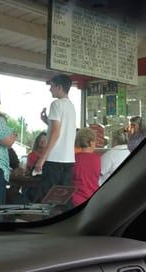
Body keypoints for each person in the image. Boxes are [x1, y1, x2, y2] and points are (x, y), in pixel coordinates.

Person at [35, 74, 77, 203]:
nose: (50, 89)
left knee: (48, 199)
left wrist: (42, 159)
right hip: (68, 160)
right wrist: (47, 121)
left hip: (54, 160)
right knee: (63, 198)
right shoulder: (71, 106)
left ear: (59, 87)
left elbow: (55, 133)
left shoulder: (56, 104)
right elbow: (62, 129)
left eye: (52, 86)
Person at [72, 128, 100, 207]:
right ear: (91, 142)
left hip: (75, 199)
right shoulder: (97, 159)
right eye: (95, 142)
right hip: (93, 197)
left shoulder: (73, 159)